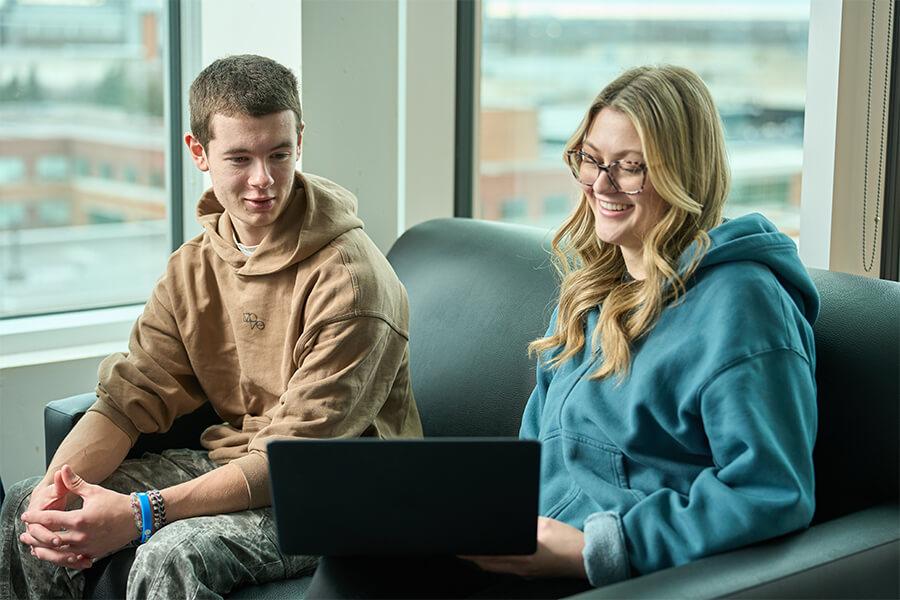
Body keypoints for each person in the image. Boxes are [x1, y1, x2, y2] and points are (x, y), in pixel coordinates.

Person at [306, 65, 817, 598]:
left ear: (684, 174)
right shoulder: (592, 288)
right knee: (357, 559)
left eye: (630, 167)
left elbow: (771, 491)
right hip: (528, 551)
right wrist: (467, 514)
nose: (601, 184)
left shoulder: (745, 305)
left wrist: (595, 549)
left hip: (618, 573)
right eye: (592, 159)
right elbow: (541, 450)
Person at [0, 54, 422, 600]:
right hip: (235, 462)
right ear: (198, 152)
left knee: (170, 554)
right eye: (239, 158)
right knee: (26, 506)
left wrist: (140, 513)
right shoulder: (195, 265)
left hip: (341, 495)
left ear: (300, 140)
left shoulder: (354, 283)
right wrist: (57, 494)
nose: (262, 180)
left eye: (279, 154)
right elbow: (128, 398)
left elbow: (294, 461)